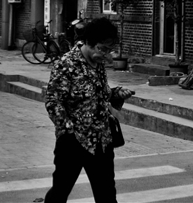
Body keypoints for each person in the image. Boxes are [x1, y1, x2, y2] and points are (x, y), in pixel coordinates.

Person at [43, 17, 134, 203]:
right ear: (89, 42)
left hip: (102, 140)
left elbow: (101, 94)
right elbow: (53, 101)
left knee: (107, 195)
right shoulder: (66, 64)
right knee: (60, 192)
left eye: (109, 50)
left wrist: (116, 93)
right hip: (73, 142)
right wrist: (67, 130)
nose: (106, 55)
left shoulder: (98, 64)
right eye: (103, 49)